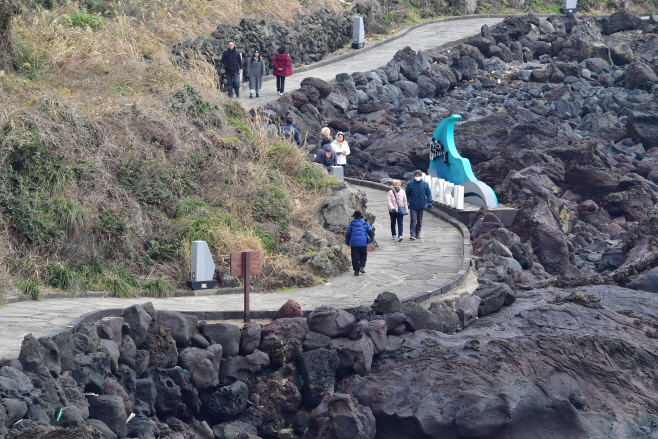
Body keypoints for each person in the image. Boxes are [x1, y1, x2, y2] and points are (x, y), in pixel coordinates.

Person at [405, 170, 433, 240]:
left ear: (421, 176)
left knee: (419, 220)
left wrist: (430, 201)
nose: (417, 177)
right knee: (413, 219)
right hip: (413, 205)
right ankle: (412, 234)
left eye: (419, 175)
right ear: (414, 176)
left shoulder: (425, 184)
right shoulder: (410, 184)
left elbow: (429, 194)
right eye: (416, 175)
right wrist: (406, 202)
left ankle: (418, 233)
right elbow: (407, 194)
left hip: (421, 205)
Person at [345, 211, 374, 276]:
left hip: (354, 244)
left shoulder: (352, 224)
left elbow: (348, 234)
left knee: (355, 257)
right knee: (363, 254)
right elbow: (371, 233)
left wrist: (347, 242)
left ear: (355, 217)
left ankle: (356, 271)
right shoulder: (366, 223)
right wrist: (371, 240)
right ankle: (361, 266)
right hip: (363, 243)